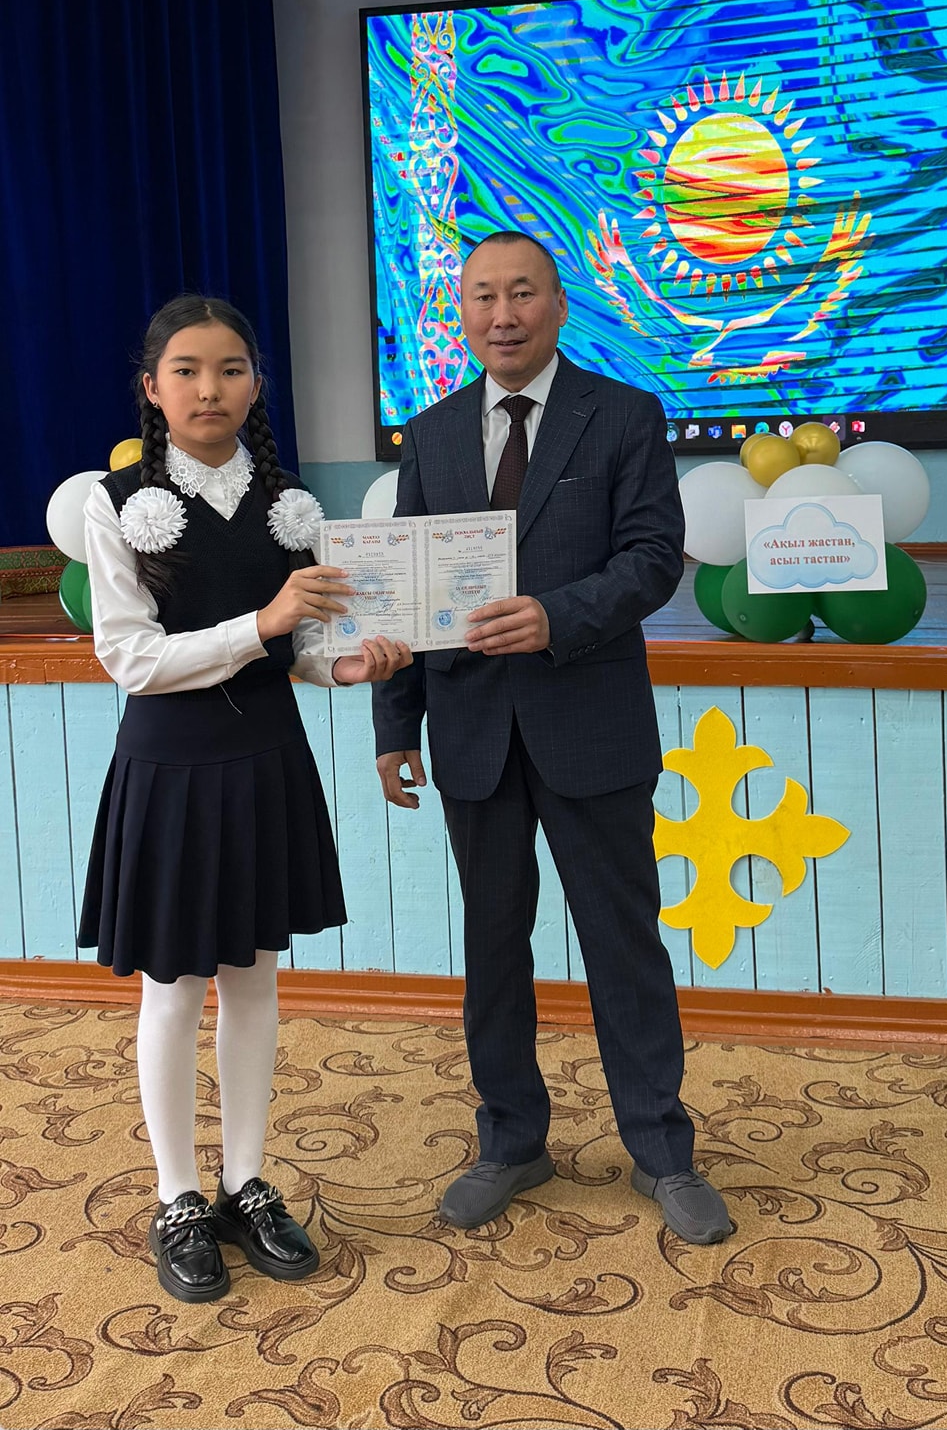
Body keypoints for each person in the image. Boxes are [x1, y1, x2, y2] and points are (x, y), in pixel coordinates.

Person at [373, 231, 731, 1245]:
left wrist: (555, 616)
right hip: (471, 733)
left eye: (522, 292)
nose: (503, 314)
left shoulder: (622, 414)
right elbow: (405, 593)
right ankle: (511, 1141)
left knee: (623, 943)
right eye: (482, 295)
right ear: (461, 310)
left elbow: (654, 555)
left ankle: (662, 1151)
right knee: (493, 948)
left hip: (591, 723)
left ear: (559, 303)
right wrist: (395, 724)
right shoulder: (430, 433)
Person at [79, 295, 411, 1304]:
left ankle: (245, 1181)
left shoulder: (288, 502)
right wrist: (263, 624)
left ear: (256, 383)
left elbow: (300, 644)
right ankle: (176, 1195)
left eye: (229, 369)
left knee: (256, 977)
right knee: (174, 987)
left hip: (267, 756)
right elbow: (131, 658)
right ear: (151, 387)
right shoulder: (114, 500)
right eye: (185, 369)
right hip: (171, 767)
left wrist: (345, 664)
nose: (208, 388)